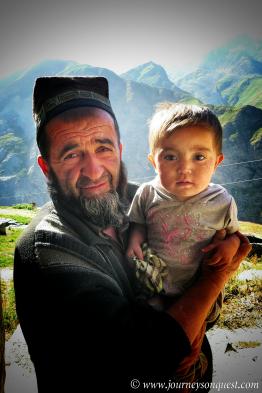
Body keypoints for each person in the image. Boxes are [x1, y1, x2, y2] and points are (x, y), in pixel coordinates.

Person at [13, 76, 251, 393]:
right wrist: (216, 276)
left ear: (120, 150)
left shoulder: (145, 199)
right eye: (71, 154)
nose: (94, 170)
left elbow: (201, 261)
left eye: (103, 148)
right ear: (46, 167)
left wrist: (191, 327)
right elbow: (152, 356)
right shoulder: (49, 245)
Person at [127, 102, 239, 307]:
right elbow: (138, 223)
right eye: (170, 157)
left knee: (195, 321)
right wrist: (135, 241)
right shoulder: (147, 193)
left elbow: (235, 236)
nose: (184, 168)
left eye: (199, 157)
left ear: (216, 162)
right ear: (154, 162)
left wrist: (229, 246)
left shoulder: (222, 201)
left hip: (198, 289)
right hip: (155, 284)